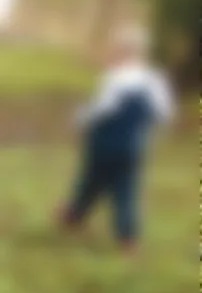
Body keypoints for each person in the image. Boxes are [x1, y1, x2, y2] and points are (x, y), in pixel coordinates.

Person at [59, 26, 175, 253]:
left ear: (122, 51)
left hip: (104, 141)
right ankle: (127, 240)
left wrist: (79, 120)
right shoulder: (154, 80)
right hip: (132, 144)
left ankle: (72, 215)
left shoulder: (114, 78)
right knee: (125, 189)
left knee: (92, 180)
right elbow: (163, 114)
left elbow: (102, 109)